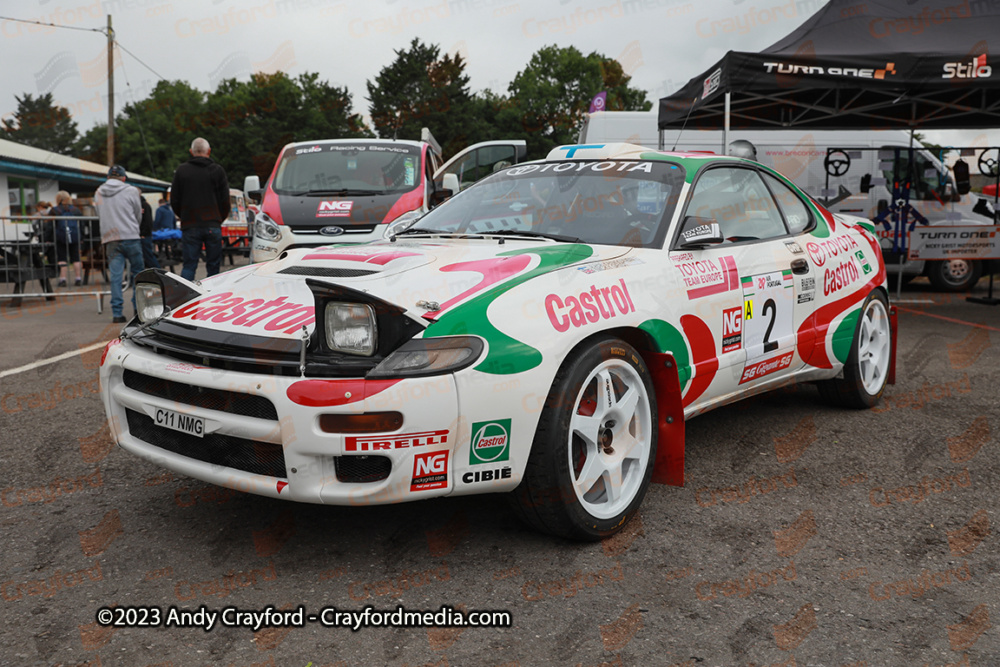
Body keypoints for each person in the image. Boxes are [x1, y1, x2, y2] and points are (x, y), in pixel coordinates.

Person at [171, 137, 230, 281]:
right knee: (214, 266)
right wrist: (218, 219)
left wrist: (184, 216)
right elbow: (225, 201)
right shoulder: (218, 171)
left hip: (190, 224)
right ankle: (213, 297)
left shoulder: (181, 171)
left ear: (191, 152)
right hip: (212, 223)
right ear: (209, 151)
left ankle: (186, 298)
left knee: (189, 266)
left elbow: (174, 200)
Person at [96, 165, 145, 323]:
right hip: (130, 235)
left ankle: (117, 313)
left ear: (108, 177)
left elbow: (99, 214)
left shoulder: (99, 192)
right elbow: (138, 213)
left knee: (116, 277)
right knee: (138, 274)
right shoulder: (131, 190)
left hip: (111, 238)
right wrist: (134, 227)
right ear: (124, 178)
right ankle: (139, 309)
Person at [50, 191, 84, 286]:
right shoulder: (75, 210)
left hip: (60, 237)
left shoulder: (54, 210)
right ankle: (78, 279)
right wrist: (81, 237)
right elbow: (82, 224)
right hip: (74, 237)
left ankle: (62, 279)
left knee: (62, 258)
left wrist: (48, 237)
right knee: (76, 258)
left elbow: (49, 225)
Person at [137, 189, 160, 269]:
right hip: (143, 235)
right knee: (145, 256)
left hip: (144, 235)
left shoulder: (144, 205)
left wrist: (143, 234)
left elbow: (148, 222)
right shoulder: (141, 204)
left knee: (148, 256)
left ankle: (158, 272)